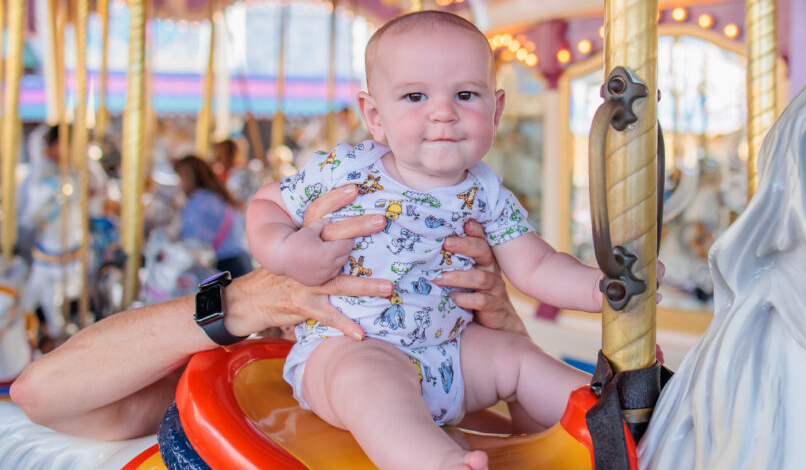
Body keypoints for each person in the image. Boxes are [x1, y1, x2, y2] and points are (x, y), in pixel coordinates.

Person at [246, 11, 607, 470]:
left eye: (465, 95)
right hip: (351, 341)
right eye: (416, 97)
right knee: (371, 386)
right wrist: (289, 250)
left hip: (453, 349)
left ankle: (612, 424)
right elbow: (267, 206)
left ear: (496, 108)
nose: (443, 113)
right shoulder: (346, 169)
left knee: (518, 357)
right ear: (375, 115)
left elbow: (537, 266)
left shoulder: (486, 193)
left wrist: (604, 289)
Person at [10, 185, 525, 441]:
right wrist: (243, 301)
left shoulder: (453, 382)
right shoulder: (256, 377)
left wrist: (509, 333)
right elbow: (44, 392)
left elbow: (550, 452)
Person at [17, 125, 85, 348]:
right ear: (59, 145)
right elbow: (31, 212)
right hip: (44, 245)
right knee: (34, 296)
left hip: (66, 246)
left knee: (58, 300)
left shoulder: (70, 170)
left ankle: (56, 333)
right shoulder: (44, 171)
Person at [173, 155, 253, 278]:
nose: (179, 184)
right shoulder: (216, 196)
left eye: (180, 178)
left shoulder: (199, 200)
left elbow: (192, 241)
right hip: (239, 261)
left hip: (223, 265)